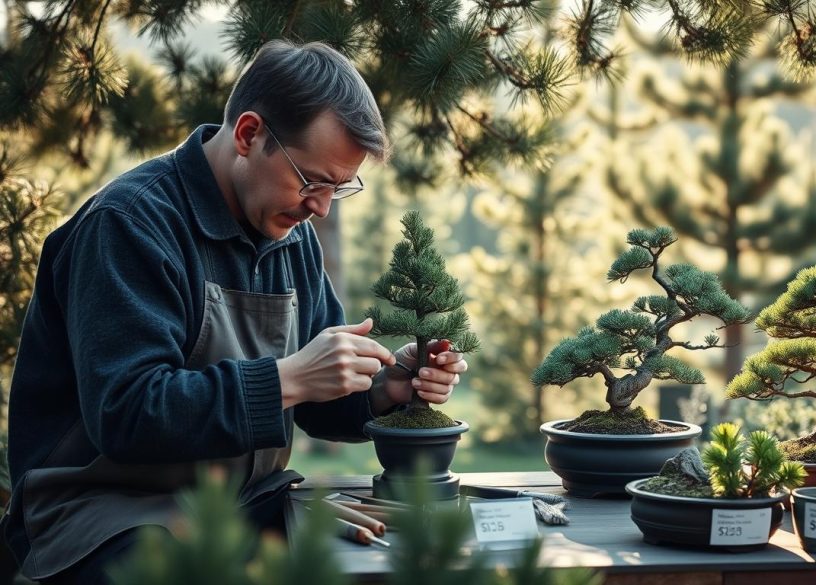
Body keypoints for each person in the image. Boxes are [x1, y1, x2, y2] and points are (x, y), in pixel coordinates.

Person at [1, 39, 468, 583]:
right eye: (312, 180)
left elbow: (316, 401)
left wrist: (386, 388)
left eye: (339, 189)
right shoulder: (129, 224)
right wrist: (287, 378)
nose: (318, 207)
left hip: (242, 503)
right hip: (105, 516)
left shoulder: (292, 236)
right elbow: (126, 414)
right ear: (249, 135)